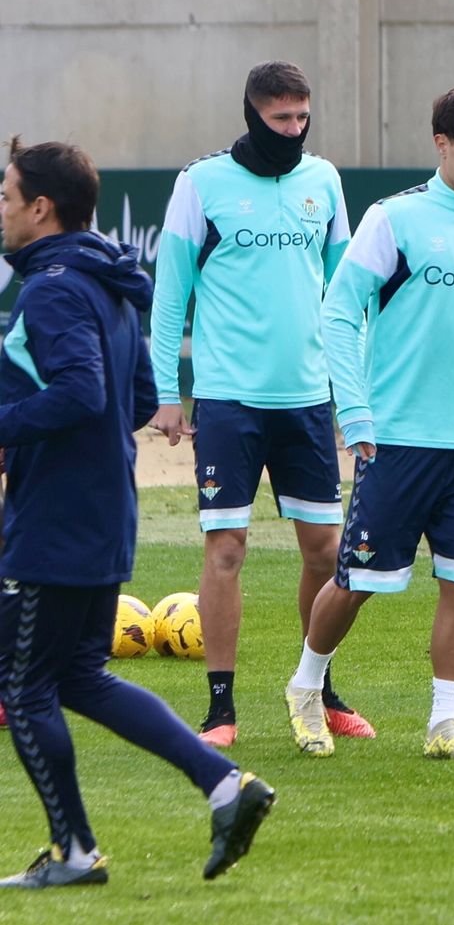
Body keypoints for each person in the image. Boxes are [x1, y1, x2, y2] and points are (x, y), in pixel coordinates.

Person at [0, 137, 273, 887]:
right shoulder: (107, 281)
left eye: (6, 196)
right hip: (101, 509)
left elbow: (83, 395)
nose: (1, 209)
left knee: (22, 687)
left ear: (41, 207)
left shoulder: (53, 287)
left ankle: (74, 852)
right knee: (81, 677)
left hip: (55, 522)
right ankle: (228, 786)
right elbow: (124, 403)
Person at [283, 87, 454, 760]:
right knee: (354, 581)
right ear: (442, 143)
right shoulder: (393, 220)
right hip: (396, 439)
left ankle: (445, 723)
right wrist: (355, 411)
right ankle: (305, 688)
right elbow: (339, 315)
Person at [150, 60, 371, 746]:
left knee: (326, 552)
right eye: (281, 120)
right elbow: (170, 295)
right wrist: (165, 394)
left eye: (303, 118)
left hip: (307, 400)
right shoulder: (202, 182)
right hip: (228, 400)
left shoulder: (324, 181)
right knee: (227, 549)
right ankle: (221, 708)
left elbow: (346, 296)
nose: (294, 131)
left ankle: (316, 686)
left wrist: (356, 390)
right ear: (252, 113)